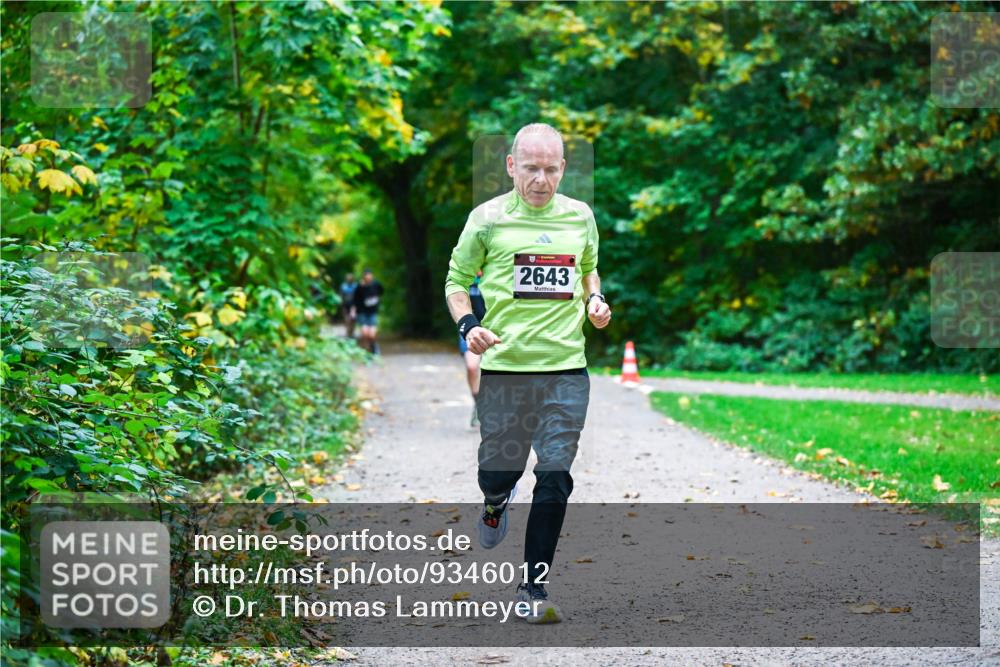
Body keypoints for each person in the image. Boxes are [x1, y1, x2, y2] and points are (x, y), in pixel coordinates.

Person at [444, 123, 611, 624]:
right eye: (531, 168)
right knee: (498, 472)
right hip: (506, 369)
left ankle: (532, 588)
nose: (542, 179)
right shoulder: (487, 220)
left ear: (563, 168)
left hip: (566, 369)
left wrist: (595, 299)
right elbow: (455, 281)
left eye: (552, 169)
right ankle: (495, 501)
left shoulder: (580, 216)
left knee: (556, 476)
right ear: (512, 165)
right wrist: (469, 323)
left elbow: (588, 268)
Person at [458, 271, 487, 427]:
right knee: (472, 367)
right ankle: (478, 404)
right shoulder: (465, 276)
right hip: (471, 329)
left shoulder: (496, 272)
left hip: (494, 328)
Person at [351, 269, 383, 355]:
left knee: (371, 334)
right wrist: (353, 311)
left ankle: (374, 347)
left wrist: (377, 301)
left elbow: (381, 292)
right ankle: (366, 349)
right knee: (365, 333)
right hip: (362, 312)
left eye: (369, 276)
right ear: (364, 277)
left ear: (372, 276)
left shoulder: (376, 284)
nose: (368, 278)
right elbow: (354, 300)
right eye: (366, 276)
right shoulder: (359, 287)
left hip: (372, 312)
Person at [339, 272, 358, 339]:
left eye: (350, 278)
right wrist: (341, 302)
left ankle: (352, 332)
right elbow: (341, 295)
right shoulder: (343, 286)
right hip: (345, 305)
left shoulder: (356, 286)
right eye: (348, 278)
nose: (349, 279)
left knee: (353, 319)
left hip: (354, 305)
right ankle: (347, 332)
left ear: (353, 279)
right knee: (347, 319)